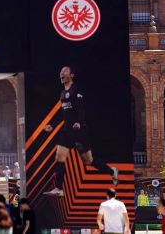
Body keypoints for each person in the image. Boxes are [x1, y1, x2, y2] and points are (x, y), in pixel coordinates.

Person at [43, 66, 119, 196]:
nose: (61, 74)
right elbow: (63, 113)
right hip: (67, 130)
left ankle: (112, 171)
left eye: (64, 72)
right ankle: (59, 189)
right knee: (59, 157)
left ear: (71, 75)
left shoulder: (76, 90)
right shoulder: (62, 93)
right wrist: (52, 124)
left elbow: (81, 108)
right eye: (60, 72)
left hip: (79, 131)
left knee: (88, 161)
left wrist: (79, 122)